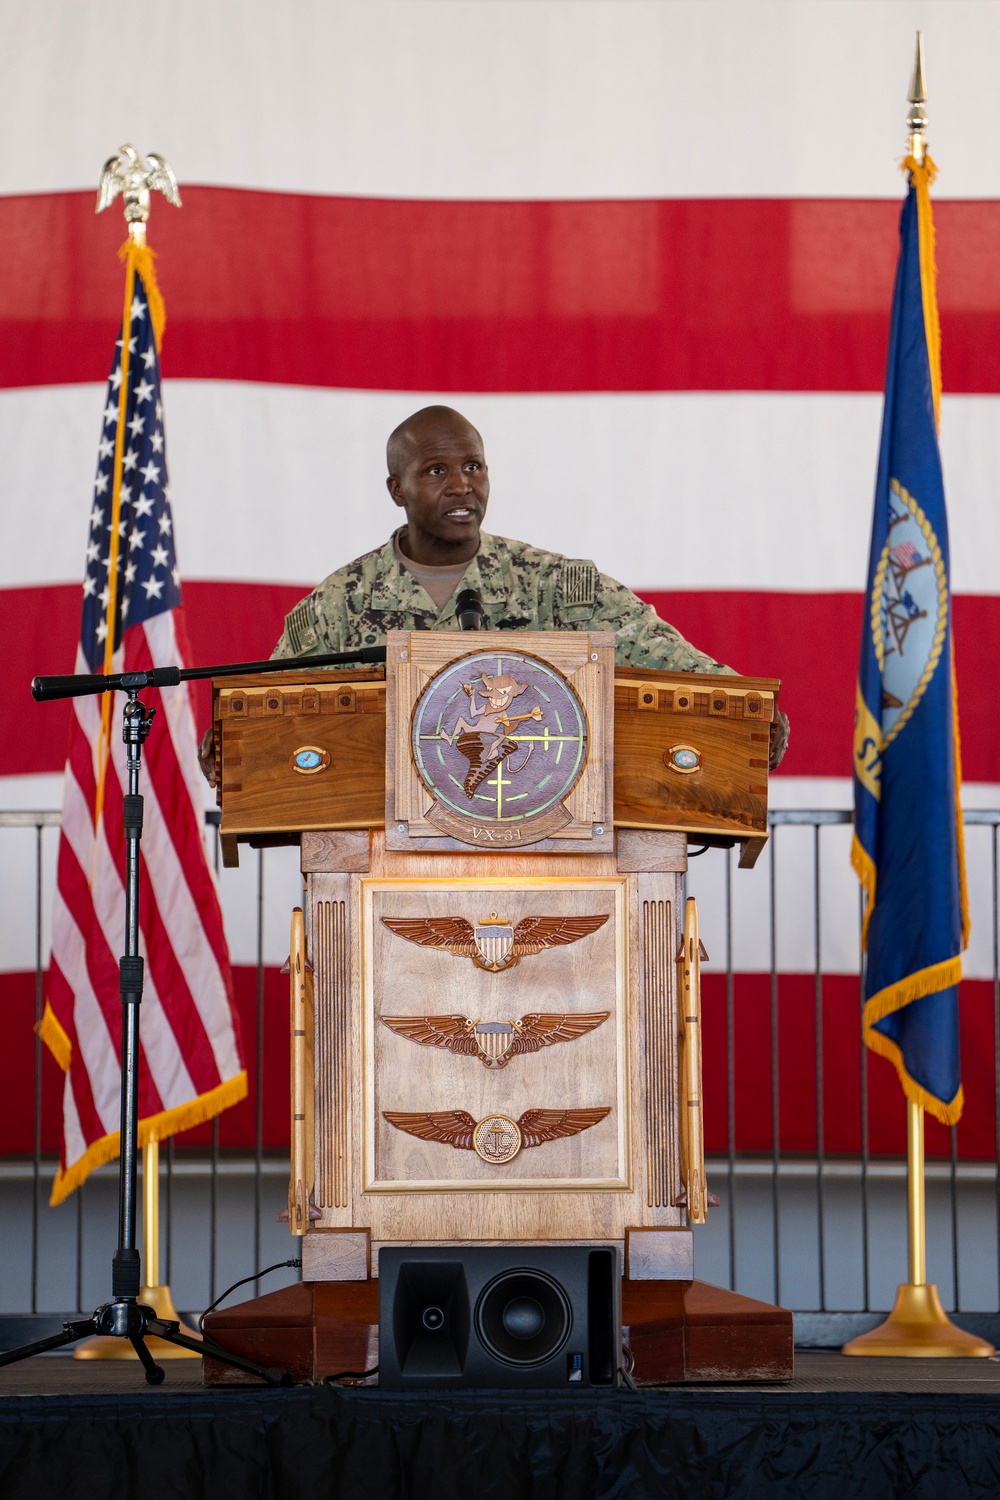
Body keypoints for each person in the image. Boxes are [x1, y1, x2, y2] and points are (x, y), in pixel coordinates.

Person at [201, 405, 788, 778]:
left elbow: (675, 663)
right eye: (436, 471)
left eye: (474, 468)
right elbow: (262, 711)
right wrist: (229, 742)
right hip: (382, 855)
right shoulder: (341, 602)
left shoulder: (558, 586)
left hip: (546, 845)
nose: (461, 486)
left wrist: (749, 712)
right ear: (396, 488)